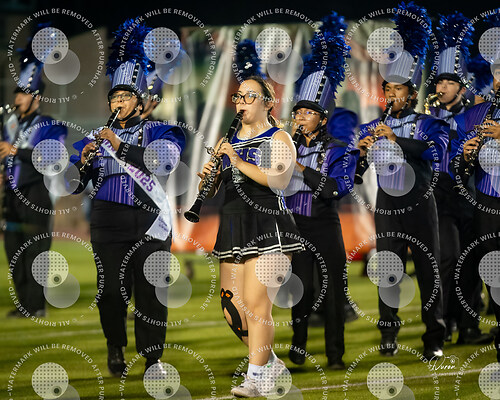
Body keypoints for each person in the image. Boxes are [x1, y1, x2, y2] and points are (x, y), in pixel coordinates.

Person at [69, 19, 185, 377]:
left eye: (125, 97)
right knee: (111, 292)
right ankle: (115, 345)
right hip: (107, 220)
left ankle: (153, 359)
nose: (118, 102)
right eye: (114, 97)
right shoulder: (94, 137)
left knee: (151, 291)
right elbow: (72, 185)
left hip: (149, 220)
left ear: (140, 101)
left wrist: (118, 145)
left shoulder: (162, 130)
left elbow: (162, 162)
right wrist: (81, 162)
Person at [196, 75, 302, 397]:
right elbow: (210, 190)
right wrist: (208, 179)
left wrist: (237, 161)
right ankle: (270, 363)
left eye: (249, 96)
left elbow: (279, 180)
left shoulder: (278, 137)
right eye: (238, 97)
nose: (241, 103)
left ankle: (255, 378)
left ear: (268, 102)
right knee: (232, 309)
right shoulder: (226, 141)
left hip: (268, 225)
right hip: (233, 226)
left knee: (257, 307)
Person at [355, 2, 448, 360]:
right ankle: (388, 335)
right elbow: (354, 173)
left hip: (421, 203)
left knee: (428, 272)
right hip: (388, 205)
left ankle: (434, 338)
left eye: (399, 90)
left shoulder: (428, 123)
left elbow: (434, 152)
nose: (392, 95)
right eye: (388, 90)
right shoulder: (372, 127)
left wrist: (396, 140)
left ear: (411, 93)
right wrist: (361, 154)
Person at [284, 11, 358, 370]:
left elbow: (336, 189)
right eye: (298, 111)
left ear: (323, 119)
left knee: (332, 292)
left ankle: (335, 354)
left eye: (308, 112)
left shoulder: (339, 149)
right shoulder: (284, 144)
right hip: (294, 225)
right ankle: (298, 347)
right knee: (300, 290)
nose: (300, 117)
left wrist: (299, 168)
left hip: (325, 224)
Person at [429, 11, 493, 346]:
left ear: (462, 87)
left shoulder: (474, 115)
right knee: (447, 260)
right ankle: (448, 321)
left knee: (472, 259)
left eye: (449, 82)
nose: (442, 88)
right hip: (440, 195)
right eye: (439, 82)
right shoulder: (427, 118)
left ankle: (469, 325)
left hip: (469, 192)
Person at [0, 24, 67, 318]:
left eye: (24, 94)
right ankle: (23, 304)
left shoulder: (50, 125)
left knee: (35, 250)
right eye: (17, 93)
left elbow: (50, 156)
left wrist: (15, 151)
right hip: (12, 195)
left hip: (36, 194)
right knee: (13, 250)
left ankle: (36, 305)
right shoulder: (10, 126)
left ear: (36, 98)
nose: (17, 98)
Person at [451, 59, 500, 360]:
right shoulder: (475, 116)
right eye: (497, 74)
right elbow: (456, 166)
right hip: (488, 200)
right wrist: (467, 156)